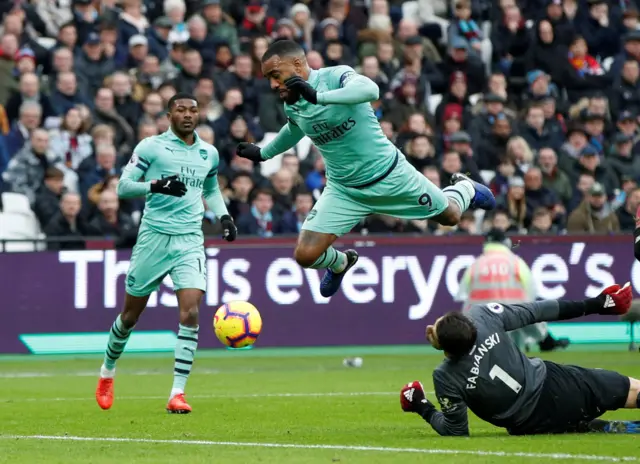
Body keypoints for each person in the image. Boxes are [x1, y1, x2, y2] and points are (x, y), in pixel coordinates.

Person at [235, 40, 496, 298]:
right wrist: (263, 153)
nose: (272, 84)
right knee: (305, 255)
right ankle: (340, 263)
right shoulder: (291, 101)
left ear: (297, 64)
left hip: (390, 176)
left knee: (450, 216)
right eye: (268, 77)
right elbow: (294, 127)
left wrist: (318, 96)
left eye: (275, 75)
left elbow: (371, 90)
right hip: (344, 191)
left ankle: (464, 187)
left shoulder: (334, 77)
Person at [94, 93, 237, 414]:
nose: (188, 115)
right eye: (181, 110)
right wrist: (156, 186)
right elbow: (123, 187)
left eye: (193, 110)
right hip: (154, 238)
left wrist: (224, 216)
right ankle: (107, 372)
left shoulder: (208, 153)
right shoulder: (150, 147)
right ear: (169, 115)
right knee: (130, 316)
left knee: (190, 311)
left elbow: (211, 189)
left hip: (189, 240)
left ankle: (177, 393)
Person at [400, 283, 640, 436]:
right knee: (630, 389)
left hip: (528, 425)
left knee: (573, 413)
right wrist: (595, 304)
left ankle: (575, 422)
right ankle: (581, 413)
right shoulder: (481, 317)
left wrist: (422, 405)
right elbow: (538, 311)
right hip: (555, 386)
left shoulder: (445, 375)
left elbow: (456, 429)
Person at [456, 229, 569, 352]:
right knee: (529, 313)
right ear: (505, 242)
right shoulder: (514, 261)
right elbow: (530, 287)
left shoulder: (476, 264)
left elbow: (464, 292)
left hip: (482, 313)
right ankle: (546, 342)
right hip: (512, 310)